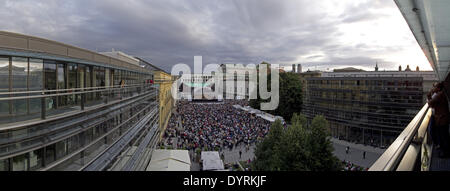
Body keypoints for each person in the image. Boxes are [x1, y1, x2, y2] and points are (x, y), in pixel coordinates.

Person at [427, 82, 450, 158]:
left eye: (435, 87)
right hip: (441, 119)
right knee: (442, 135)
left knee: (444, 136)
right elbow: (432, 105)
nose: (433, 88)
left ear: (439, 88)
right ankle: (443, 150)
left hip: (442, 119)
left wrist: (429, 94)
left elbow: (430, 103)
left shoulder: (439, 95)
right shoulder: (440, 94)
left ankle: (445, 153)